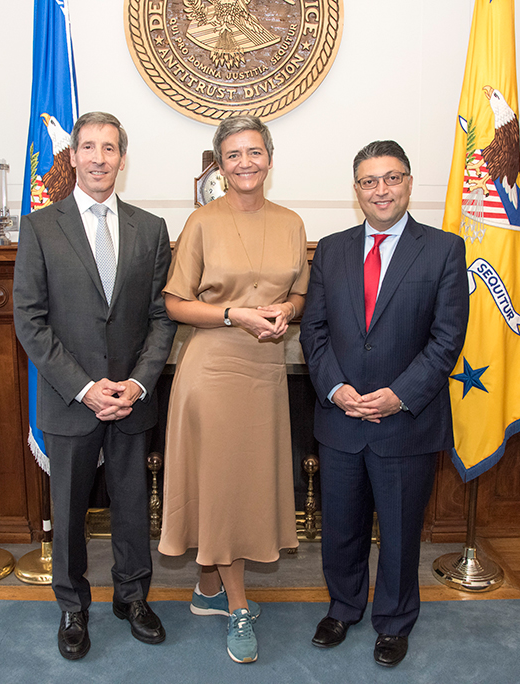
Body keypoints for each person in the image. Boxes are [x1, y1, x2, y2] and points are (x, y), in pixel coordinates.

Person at [13, 111, 177, 661]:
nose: (100, 158)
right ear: (74, 156)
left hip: (131, 399)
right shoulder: (40, 227)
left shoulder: (150, 230)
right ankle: (72, 606)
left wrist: (136, 383)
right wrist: (85, 388)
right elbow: (29, 320)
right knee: (69, 512)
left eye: (110, 148)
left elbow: (161, 318)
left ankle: (133, 598)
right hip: (69, 400)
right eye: (89, 147)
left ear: (122, 159)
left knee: (133, 507)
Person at [299, 140, 468, 667]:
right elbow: (315, 330)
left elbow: (447, 338)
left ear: (410, 183)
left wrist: (399, 396)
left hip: (406, 423)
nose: (381, 190)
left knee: (398, 533)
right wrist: (334, 388)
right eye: (370, 181)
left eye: (391, 178)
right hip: (341, 416)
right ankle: (344, 607)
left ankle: (393, 622)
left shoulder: (443, 249)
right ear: (356, 191)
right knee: (341, 528)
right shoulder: (330, 249)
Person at [158, 115, 308, 664]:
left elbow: (299, 295)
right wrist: (234, 315)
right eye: (233, 155)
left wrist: (284, 311)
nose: (245, 162)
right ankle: (238, 604)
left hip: (265, 369)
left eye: (254, 152)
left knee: (242, 482)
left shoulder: (292, 222)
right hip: (214, 368)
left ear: (270, 156)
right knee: (223, 483)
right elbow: (175, 302)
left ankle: (207, 587)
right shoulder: (201, 221)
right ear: (219, 164)